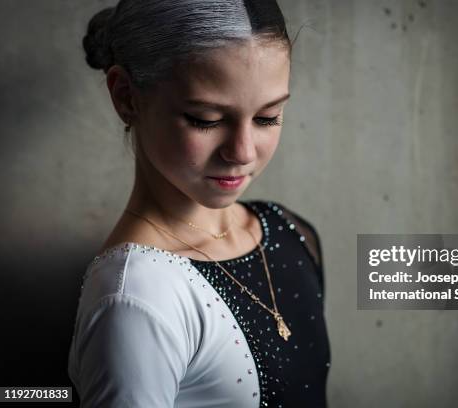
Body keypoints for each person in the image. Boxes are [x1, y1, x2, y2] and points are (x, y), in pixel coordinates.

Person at [66, 1, 331, 407]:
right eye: (206, 119)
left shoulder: (289, 230)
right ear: (126, 97)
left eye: (268, 117)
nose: (242, 152)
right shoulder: (135, 298)